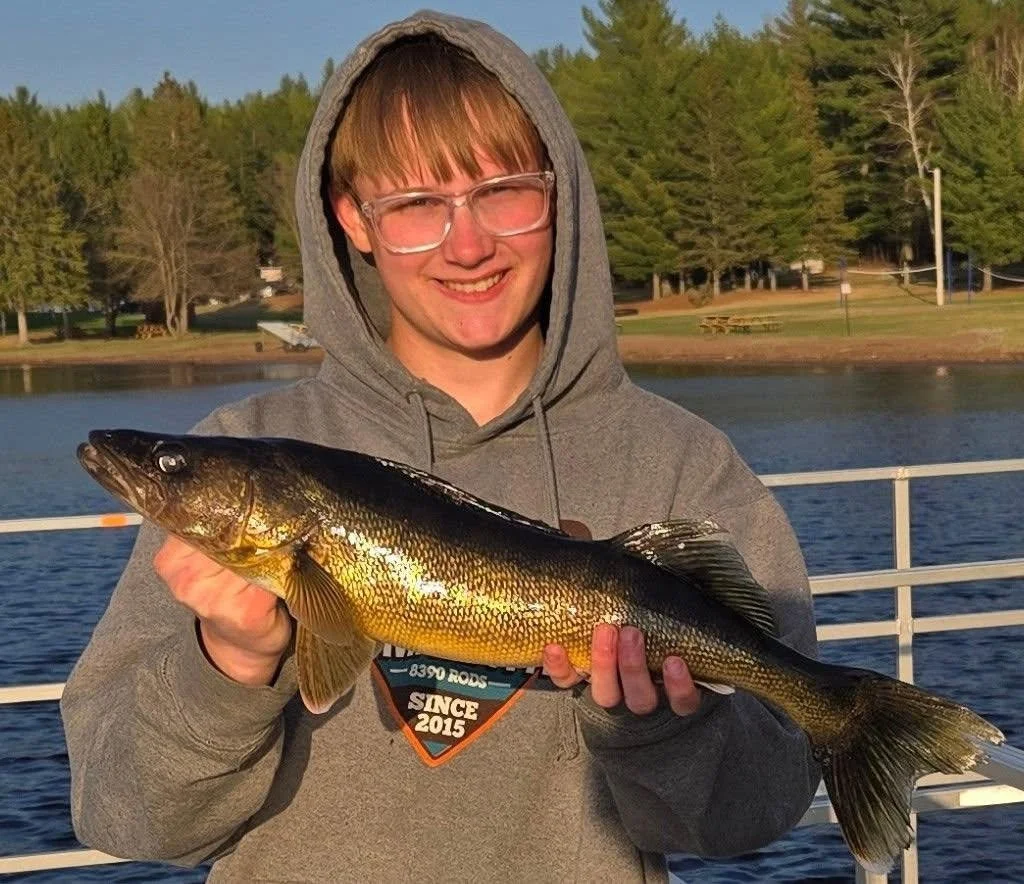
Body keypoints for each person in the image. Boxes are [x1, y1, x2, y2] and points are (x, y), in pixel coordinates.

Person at [61, 11, 820, 882]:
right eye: (417, 205)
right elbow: (122, 813)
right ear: (353, 220)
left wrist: (657, 726)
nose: (467, 244)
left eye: (504, 191)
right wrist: (227, 664)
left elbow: (758, 807)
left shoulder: (681, 466)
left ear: (559, 194)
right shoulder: (240, 444)